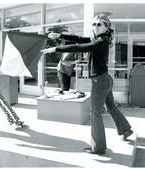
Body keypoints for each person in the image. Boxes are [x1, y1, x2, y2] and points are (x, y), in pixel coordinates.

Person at [41, 13, 133, 154]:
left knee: (95, 113)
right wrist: (60, 36)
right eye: (94, 24)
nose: (95, 27)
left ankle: (98, 147)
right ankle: (125, 130)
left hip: (100, 81)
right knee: (111, 107)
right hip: (105, 79)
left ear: (106, 27)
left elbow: (79, 47)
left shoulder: (100, 41)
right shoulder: (99, 39)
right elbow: (78, 39)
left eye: (99, 24)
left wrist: (56, 49)